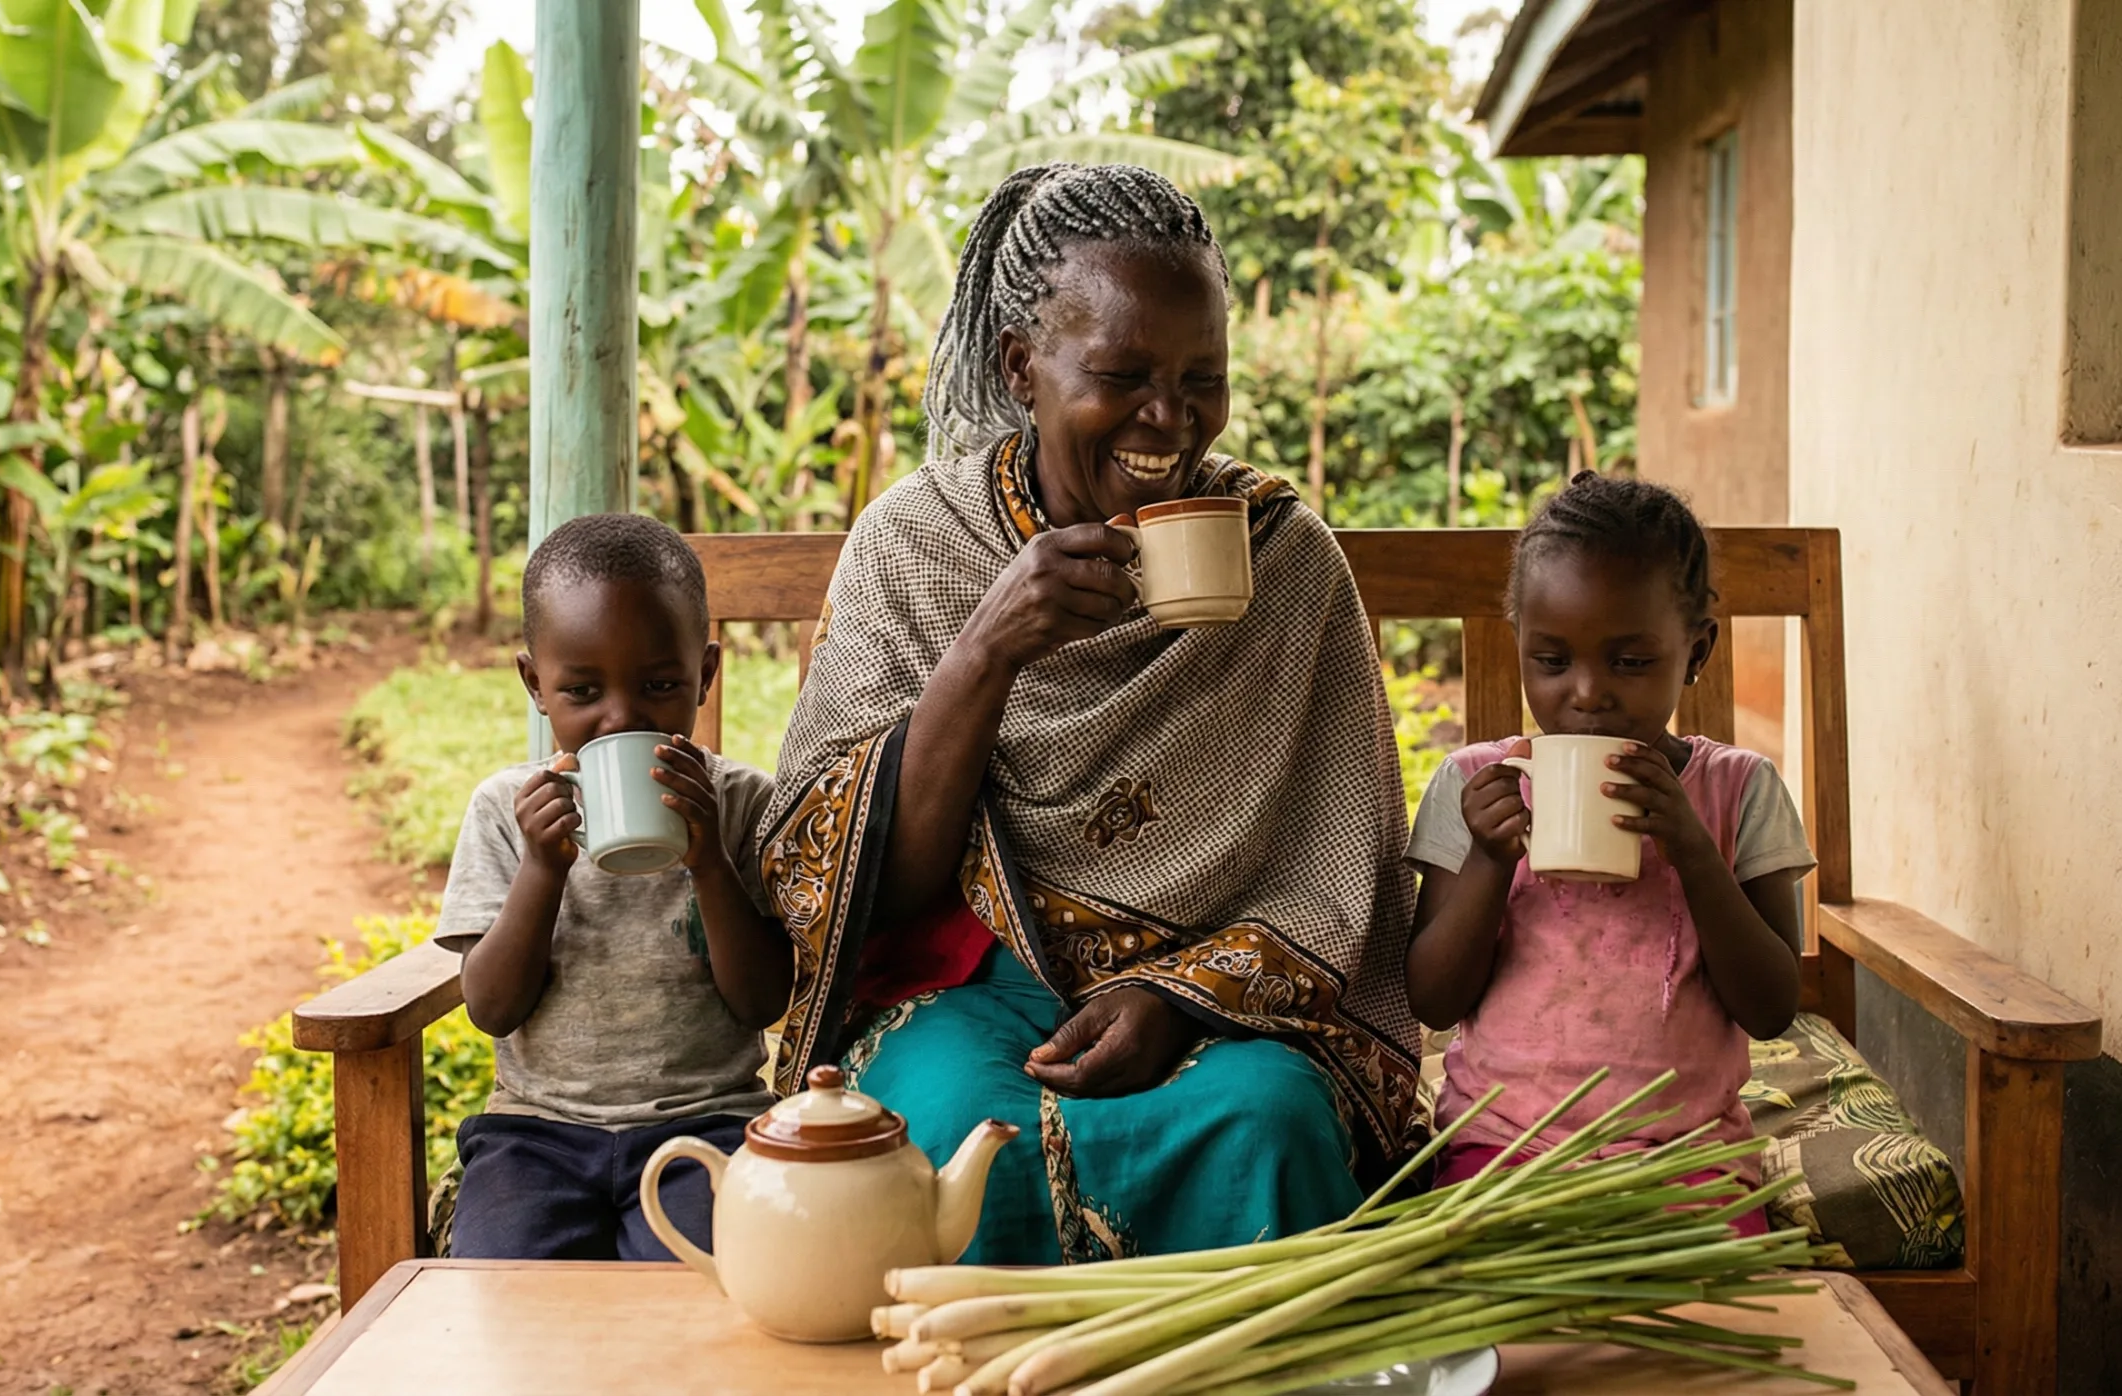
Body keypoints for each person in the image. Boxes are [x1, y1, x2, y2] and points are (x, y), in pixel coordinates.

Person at [757, 163, 1425, 1265]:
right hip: (973, 985)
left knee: (1266, 1119)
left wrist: (1180, 999)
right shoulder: (917, 544)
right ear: (1022, 366)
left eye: (1201, 378)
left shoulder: (1287, 559)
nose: (1171, 420)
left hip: (1225, 999)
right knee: (954, 1132)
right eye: (1122, 375)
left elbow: (1336, 864)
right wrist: (988, 647)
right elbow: (857, 881)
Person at [1403, 473, 1814, 1223]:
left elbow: (1773, 1006)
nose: (1588, 693)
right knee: (1495, 1315)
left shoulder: (1738, 792)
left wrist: (1693, 849)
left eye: (1630, 662)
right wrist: (1491, 860)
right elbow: (1432, 997)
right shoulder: (1474, 789)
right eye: (1552, 661)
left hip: (1687, 1155)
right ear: (1521, 646)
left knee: (1705, 1321)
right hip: (1502, 1148)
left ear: (1697, 651)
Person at [434, 513, 791, 1260]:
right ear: (536, 684)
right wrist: (543, 868)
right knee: (506, 1294)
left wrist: (707, 863)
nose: (621, 716)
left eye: (661, 684)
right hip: (535, 1136)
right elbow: (492, 1008)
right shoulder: (506, 812)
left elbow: (763, 1001)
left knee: (696, 1293)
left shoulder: (745, 806)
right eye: (582, 689)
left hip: (709, 1126)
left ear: (707, 674)